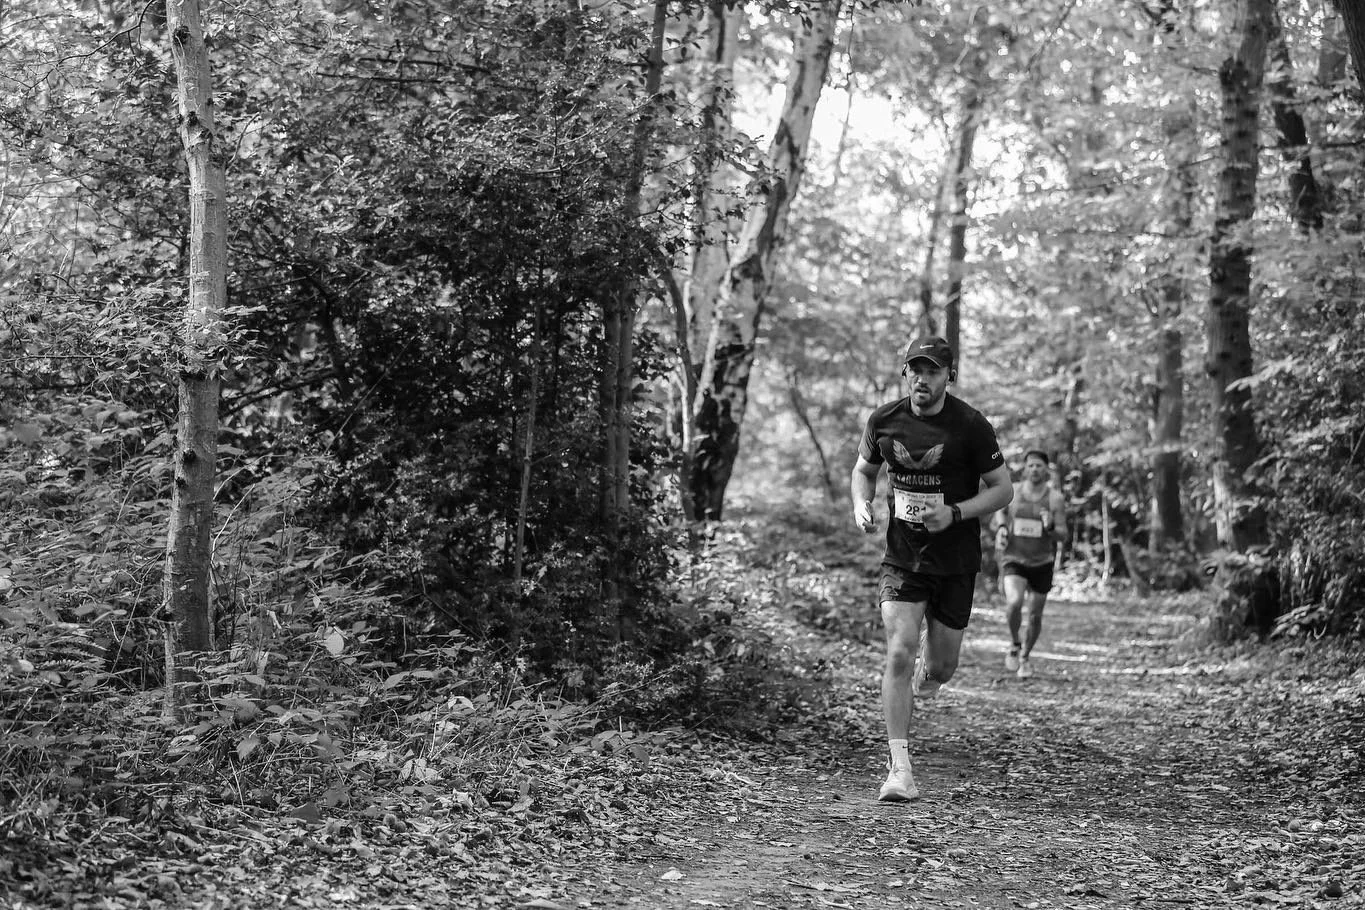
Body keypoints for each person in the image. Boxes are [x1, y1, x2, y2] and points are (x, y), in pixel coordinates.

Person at [850, 335, 1013, 802]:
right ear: (906, 373)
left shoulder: (970, 426)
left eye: (933, 370)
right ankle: (899, 769)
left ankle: (931, 672)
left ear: (949, 376)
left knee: (941, 667)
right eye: (915, 369)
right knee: (898, 652)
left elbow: (1003, 490)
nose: (923, 378)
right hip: (903, 559)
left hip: (956, 561)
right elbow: (864, 470)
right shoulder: (884, 419)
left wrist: (957, 513)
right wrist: (862, 504)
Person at [993, 449, 1067, 680]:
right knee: (1014, 603)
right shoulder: (1013, 492)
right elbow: (999, 514)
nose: (1035, 469)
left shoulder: (1055, 498)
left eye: (1039, 466)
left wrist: (1050, 527)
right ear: (1025, 469)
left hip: (1042, 562)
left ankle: (1025, 656)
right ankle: (1015, 642)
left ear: (1046, 470)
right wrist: (1003, 527)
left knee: (1035, 616)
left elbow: (1063, 535)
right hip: (1014, 558)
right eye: (1031, 465)